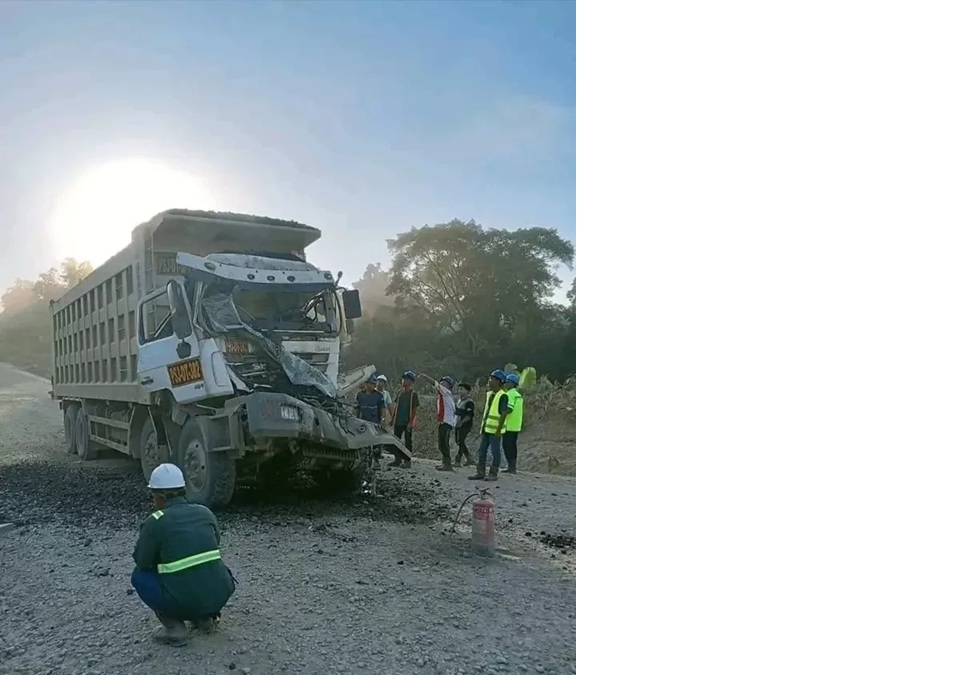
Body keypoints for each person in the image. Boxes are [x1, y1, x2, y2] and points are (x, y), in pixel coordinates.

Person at [131, 463, 236, 645]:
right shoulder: (205, 512)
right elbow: (213, 544)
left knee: (139, 576)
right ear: (183, 489)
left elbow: (142, 562)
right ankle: (206, 619)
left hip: (182, 600)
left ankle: (174, 628)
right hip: (220, 594)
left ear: (160, 496)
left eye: (153, 496)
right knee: (205, 564)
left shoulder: (155, 522)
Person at [469, 370, 513, 482]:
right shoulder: (490, 394)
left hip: (495, 430)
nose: (489, 381)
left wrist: (498, 430)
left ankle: (493, 473)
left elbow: (503, 414)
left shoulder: (503, 396)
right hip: (486, 429)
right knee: (482, 451)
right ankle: (481, 472)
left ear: (499, 382)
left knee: (495, 452)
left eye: (492, 379)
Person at [423, 374, 457, 471]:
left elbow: (434, 383)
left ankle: (447, 464)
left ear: (448, 385)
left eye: (444, 383)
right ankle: (445, 463)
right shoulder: (446, 395)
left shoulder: (445, 392)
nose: (441, 384)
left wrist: (425, 376)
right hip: (447, 422)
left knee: (443, 444)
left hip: (445, 422)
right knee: (444, 443)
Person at [389, 370, 419, 468]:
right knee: (396, 440)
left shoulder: (413, 394)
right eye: (404, 378)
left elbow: (414, 409)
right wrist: (392, 418)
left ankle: (407, 461)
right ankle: (397, 460)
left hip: (407, 421)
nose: (404, 381)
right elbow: (396, 406)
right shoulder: (399, 392)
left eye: (406, 379)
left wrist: (410, 422)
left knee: (408, 441)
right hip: (398, 420)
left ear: (411, 382)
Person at [502, 373, 524, 473]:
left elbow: (509, 409)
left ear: (512, 384)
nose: (505, 384)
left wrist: (501, 416)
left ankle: (511, 467)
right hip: (516, 425)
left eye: (507, 382)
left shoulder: (510, 394)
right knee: (513, 446)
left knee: (507, 446)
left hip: (509, 425)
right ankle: (512, 466)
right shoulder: (518, 395)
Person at [453, 382, 475, 467]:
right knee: (458, 441)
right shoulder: (459, 400)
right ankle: (469, 458)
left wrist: (461, 423)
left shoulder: (469, 402)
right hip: (457, 424)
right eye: (459, 389)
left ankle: (458, 460)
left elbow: (469, 415)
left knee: (461, 441)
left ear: (467, 391)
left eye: (462, 389)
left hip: (465, 425)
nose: (459, 391)